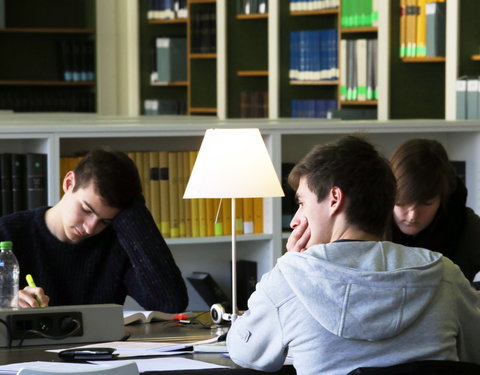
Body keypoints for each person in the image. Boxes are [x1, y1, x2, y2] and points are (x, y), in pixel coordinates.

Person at [226, 135, 480, 375]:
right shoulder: (446, 276)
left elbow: (244, 352)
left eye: (302, 203)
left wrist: (290, 265)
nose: (295, 220)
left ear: (334, 198)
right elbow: (474, 352)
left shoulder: (289, 279)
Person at [0, 148, 188, 312]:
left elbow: (170, 303)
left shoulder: (117, 243)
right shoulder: (7, 233)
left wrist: (134, 211)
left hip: (102, 352)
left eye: (105, 221)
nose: (90, 228)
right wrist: (7, 303)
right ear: (68, 183)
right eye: (86, 210)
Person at [389, 138, 480, 281]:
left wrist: (471, 296)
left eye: (426, 203)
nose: (412, 215)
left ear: (442, 197)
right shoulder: (366, 225)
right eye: (402, 203)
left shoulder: (468, 228)